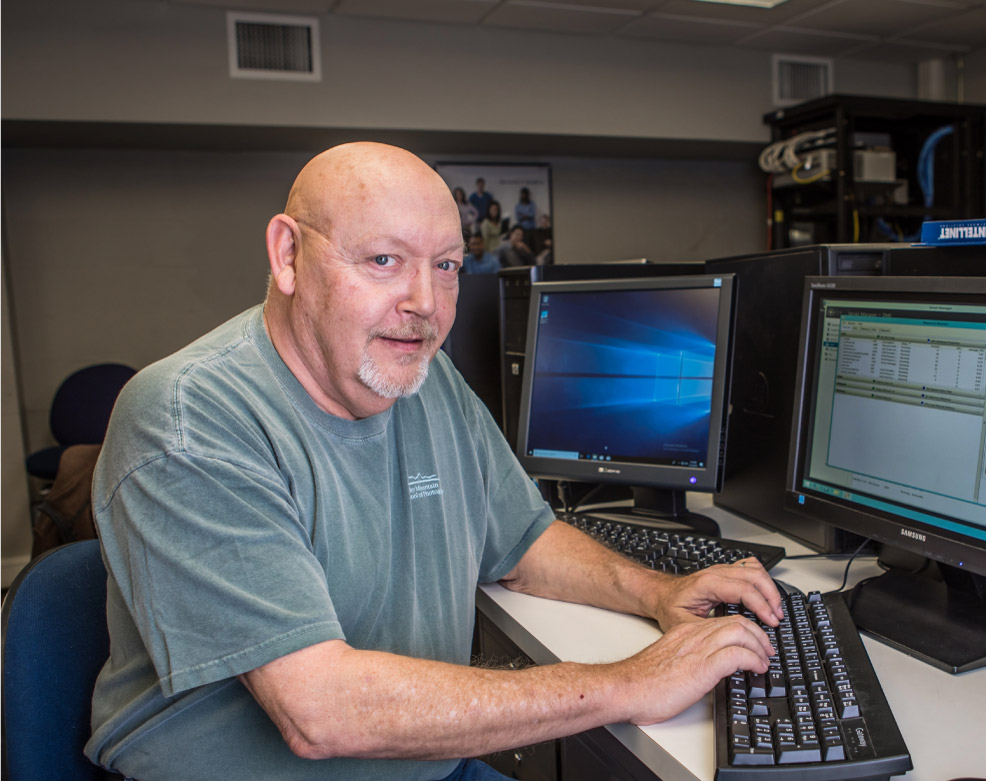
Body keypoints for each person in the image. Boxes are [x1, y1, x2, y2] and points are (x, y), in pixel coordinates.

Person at [85, 142, 781, 781]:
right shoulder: (188, 418)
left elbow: (524, 541)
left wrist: (655, 592)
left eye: (445, 265)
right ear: (288, 254)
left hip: (424, 768)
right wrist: (631, 682)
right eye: (383, 260)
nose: (423, 304)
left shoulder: (423, 378)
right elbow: (319, 710)